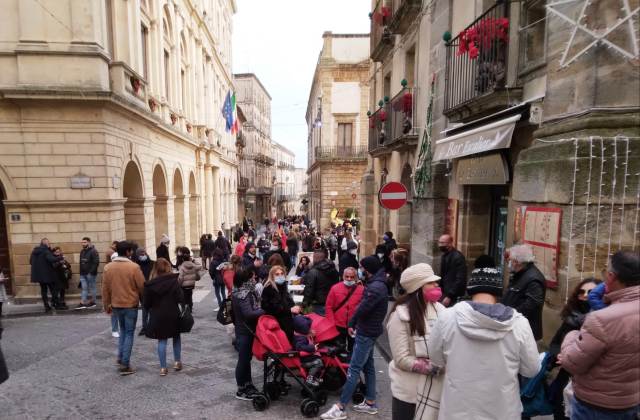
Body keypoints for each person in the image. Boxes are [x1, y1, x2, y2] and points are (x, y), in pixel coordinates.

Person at [427, 267, 540, 419]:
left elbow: (435, 359)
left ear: (471, 289)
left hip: (457, 410)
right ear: (499, 291)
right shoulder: (519, 324)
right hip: (502, 411)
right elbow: (531, 369)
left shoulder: (447, 317)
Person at [559, 251, 639, 420]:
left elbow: (572, 363)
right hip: (631, 400)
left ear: (611, 276)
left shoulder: (602, 319)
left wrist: (571, 336)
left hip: (597, 405)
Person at [321, 256, 389, 419]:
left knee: (353, 368)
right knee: (369, 367)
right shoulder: (378, 285)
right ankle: (370, 402)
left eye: (361, 268)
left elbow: (361, 309)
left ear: (367, 270)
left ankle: (341, 407)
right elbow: (330, 306)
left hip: (365, 332)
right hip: (369, 330)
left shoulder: (373, 288)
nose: (360, 271)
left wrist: (352, 322)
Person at [387, 263, 445, 420]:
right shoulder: (400, 316)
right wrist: (434, 367)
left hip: (436, 391)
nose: (436, 285)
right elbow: (401, 358)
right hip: (409, 394)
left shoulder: (441, 310)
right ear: (418, 286)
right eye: (431, 282)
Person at [547, 278, 600, 419]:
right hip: (566, 375)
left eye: (591, 292)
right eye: (582, 292)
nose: (585, 295)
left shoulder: (600, 321)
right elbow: (556, 342)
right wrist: (557, 356)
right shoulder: (571, 318)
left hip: (587, 382)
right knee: (559, 410)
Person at [102, 241, 145, 376]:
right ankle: (125, 364)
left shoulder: (108, 267)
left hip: (116, 305)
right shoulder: (134, 267)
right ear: (127, 252)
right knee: (129, 334)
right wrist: (145, 302)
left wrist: (106, 305)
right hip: (130, 305)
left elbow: (105, 289)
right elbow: (142, 287)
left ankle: (120, 358)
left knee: (123, 331)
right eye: (131, 251)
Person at [143, 258, 184, 376]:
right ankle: (177, 362)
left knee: (162, 340)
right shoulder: (174, 281)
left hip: (157, 315)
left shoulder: (149, 285)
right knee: (176, 337)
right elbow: (180, 298)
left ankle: (163, 368)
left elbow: (146, 304)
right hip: (173, 313)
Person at [232, 268, 265, 400]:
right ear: (245, 280)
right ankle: (241, 389)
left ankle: (248, 384)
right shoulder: (244, 294)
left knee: (246, 359)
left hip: (244, 329)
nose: (254, 279)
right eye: (252, 277)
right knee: (244, 359)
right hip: (245, 331)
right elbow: (249, 313)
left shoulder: (239, 291)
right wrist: (263, 310)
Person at [502, 244, 546, 340]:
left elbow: (531, 305)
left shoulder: (534, 279)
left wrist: (509, 314)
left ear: (517, 262)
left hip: (525, 332)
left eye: (509, 261)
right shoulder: (518, 274)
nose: (508, 263)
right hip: (513, 327)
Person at [325, 267, 364, 350]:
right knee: (339, 348)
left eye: (352, 277)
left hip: (354, 326)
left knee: (353, 349)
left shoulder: (361, 290)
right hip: (338, 324)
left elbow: (363, 308)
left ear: (356, 277)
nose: (349, 279)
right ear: (343, 276)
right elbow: (329, 307)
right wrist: (332, 323)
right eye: (347, 276)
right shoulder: (335, 288)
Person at [261, 265, 300, 345]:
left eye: (282, 273)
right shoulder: (268, 288)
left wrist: (293, 306)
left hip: (287, 321)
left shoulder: (283, 286)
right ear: (272, 276)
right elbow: (269, 307)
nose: (280, 276)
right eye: (277, 274)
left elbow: (287, 299)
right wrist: (289, 309)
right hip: (277, 323)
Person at [302, 251, 340, 316]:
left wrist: (304, 303)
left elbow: (309, 289)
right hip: (331, 302)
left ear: (315, 258)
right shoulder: (333, 269)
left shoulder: (313, 272)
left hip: (318, 303)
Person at [293, 314, 324, 387]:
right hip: (302, 360)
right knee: (318, 362)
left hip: (304, 357)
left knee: (319, 359)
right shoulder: (300, 338)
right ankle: (309, 379)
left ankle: (313, 377)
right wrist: (312, 348)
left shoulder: (299, 334)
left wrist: (310, 334)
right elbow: (300, 347)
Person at [30, 238, 59, 312]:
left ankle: (46, 306)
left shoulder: (34, 251)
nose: (49, 244)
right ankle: (54, 303)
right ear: (45, 243)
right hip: (47, 274)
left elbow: (30, 261)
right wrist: (60, 257)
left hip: (39, 276)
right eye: (48, 243)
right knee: (53, 289)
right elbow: (51, 259)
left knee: (44, 291)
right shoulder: (46, 251)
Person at [437, 234, 467, 307]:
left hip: (453, 295)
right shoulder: (445, 256)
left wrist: (450, 296)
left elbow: (460, 279)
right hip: (445, 293)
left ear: (450, 243)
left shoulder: (458, 257)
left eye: (442, 243)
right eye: (439, 242)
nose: (440, 245)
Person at [77, 237, 100, 309]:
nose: (83, 244)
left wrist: (91, 272)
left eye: (85, 242)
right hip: (83, 274)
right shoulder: (82, 251)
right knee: (84, 288)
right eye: (82, 242)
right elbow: (81, 263)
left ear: (89, 242)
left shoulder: (93, 251)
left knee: (92, 287)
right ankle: (83, 302)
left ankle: (93, 302)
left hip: (90, 274)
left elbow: (96, 262)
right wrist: (80, 273)